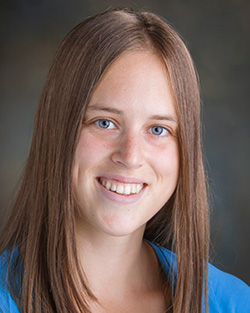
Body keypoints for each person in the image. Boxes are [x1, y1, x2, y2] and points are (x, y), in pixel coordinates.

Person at [0, 7, 249, 313]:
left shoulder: (235, 303)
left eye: (158, 129)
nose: (130, 157)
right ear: (57, 128)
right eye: (104, 122)